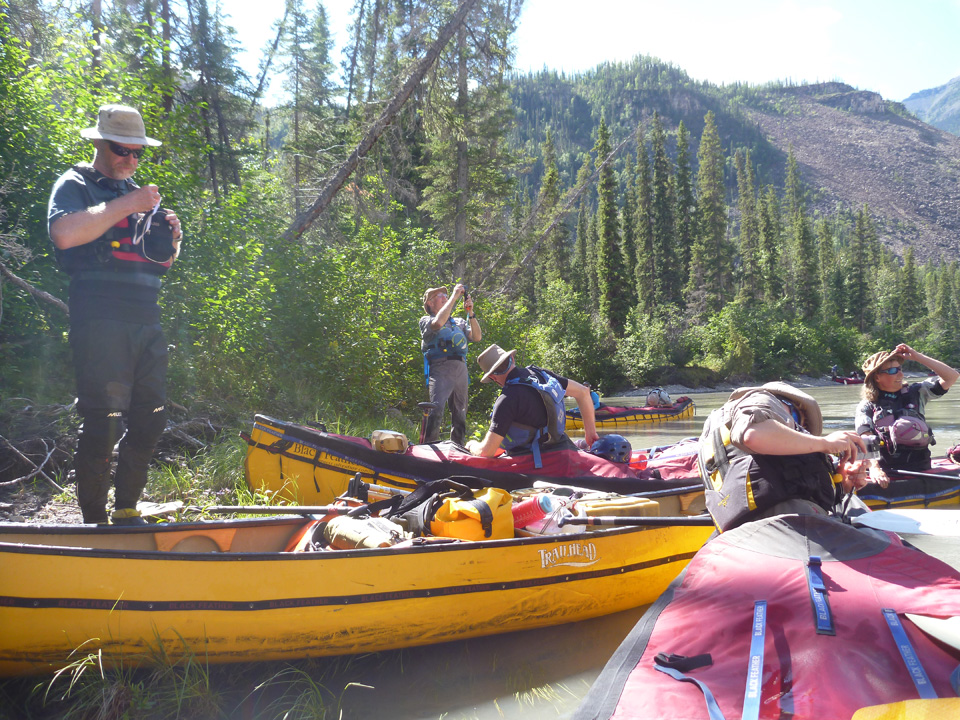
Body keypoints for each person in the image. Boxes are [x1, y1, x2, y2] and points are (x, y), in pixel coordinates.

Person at [48, 104, 183, 525]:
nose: (130, 159)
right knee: (102, 423)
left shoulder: (138, 193)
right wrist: (129, 204)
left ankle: (126, 509)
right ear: (98, 144)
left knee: (151, 419)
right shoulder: (75, 184)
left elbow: (155, 262)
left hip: (147, 319)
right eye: (121, 149)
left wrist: (173, 240)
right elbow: (65, 233)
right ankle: (93, 519)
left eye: (137, 152)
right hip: (100, 319)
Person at [698, 381, 869, 531]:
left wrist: (843, 484)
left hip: (752, 528)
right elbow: (753, 435)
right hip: (788, 524)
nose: (801, 433)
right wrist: (825, 443)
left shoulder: (720, 429)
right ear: (792, 406)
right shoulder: (762, 399)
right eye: (800, 424)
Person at [466, 344, 600, 467]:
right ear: (512, 358)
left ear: (493, 377)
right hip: (563, 446)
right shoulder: (542, 374)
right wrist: (590, 434)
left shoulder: (506, 400)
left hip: (537, 462)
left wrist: (472, 445)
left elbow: (486, 452)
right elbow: (583, 392)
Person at [855, 344, 959, 475]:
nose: (901, 374)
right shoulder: (867, 405)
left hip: (921, 467)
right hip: (886, 471)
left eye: (899, 368)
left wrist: (917, 356)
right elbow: (865, 437)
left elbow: (952, 376)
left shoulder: (918, 392)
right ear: (877, 377)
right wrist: (875, 469)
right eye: (893, 371)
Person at [419, 283, 481, 445]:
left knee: (460, 413)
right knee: (436, 410)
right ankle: (428, 448)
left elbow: (476, 337)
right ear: (430, 304)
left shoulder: (459, 322)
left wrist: (470, 313)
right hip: (440, 367)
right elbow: (438, 324)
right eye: (440, 296)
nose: (445, 297)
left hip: (460, 368)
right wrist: (454, 296)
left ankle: (457, 448)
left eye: (446, 295)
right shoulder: (426, 320)